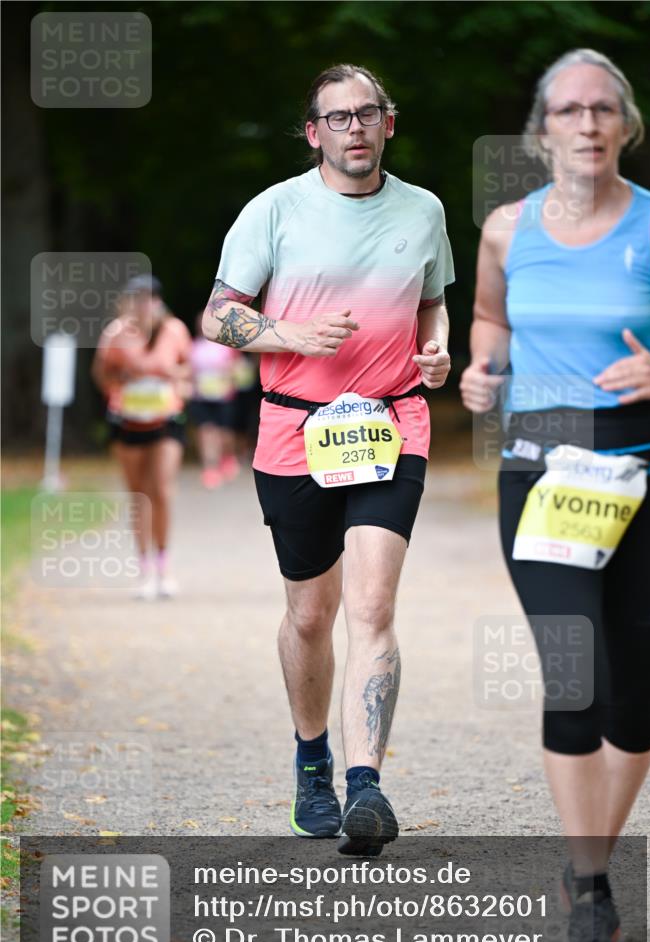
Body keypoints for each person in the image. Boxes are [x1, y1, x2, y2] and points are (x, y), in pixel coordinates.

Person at [202, 64, 454, 856]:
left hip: (390, 423)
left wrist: (437, 349)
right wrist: (291, 336)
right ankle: (312, 761)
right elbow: (217, 316)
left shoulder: (423, 209)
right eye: (337, 117)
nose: (354, 128)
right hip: (294, 429)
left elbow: (431, 302)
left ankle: (364, 785)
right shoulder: (273, 209)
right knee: (312, 615)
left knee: (372, 607)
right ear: (314, 132)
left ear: (388, 122)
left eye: (367, 113)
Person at [460, 49, 650, 942]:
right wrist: (482, 369)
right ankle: (590, 892)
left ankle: (590, 865)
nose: (586, 124)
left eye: (602, 109)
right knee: (573, 674)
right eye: (568, 110)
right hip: (543, 477)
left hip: (648, 475)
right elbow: (490, 319)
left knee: (637, 699)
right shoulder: (506, 229)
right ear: (540, 130)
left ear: (625, 125)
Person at [92, 274, 192, 598]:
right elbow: (101, 374)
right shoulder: (116, 333)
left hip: (166, 419)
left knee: (161, 488)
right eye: (136, 298)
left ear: (158, 301)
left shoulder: (174, 330)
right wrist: (124, 378)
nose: (143, 304)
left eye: (149, 298)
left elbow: (188, 371)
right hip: (129, 421)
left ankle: (164, 566)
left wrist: (172, 377)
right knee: (139, 495)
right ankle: (144, 567)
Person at [189, 310, 241, 489]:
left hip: (223, 396)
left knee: (224, 434)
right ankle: (210, 469)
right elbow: (188, 370)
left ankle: (228, 456)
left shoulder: (226, 345)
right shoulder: (193, 346)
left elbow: (236, 369)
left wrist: (228, 376)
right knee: (206, 431)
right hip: (201, 396)